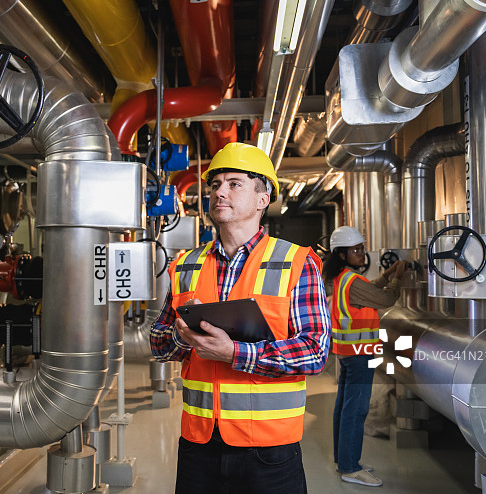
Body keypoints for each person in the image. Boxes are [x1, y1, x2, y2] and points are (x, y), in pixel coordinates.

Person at [150, 142, 330, 494]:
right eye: (215, 184)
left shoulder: (297, 262)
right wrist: (180, 337)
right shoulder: (186, 263)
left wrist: (235, 354)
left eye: (235, 184)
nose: (220, 192)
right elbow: (157, 344)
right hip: (199, 444)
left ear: (263, 199)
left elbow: (314, 351)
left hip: (269, 449)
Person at [323, 226, 407, 487]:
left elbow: (369, 289)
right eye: (356, 250)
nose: (362, 254)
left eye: (361, 249)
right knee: (356, 410)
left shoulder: (343, 278)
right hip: (359, 354)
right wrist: (399, 277)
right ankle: (351, 467)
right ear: (342, 254)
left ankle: (343, 460)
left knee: (344, 407)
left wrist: (387, 274)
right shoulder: (352, 281)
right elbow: (386, 299)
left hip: (347, 353)